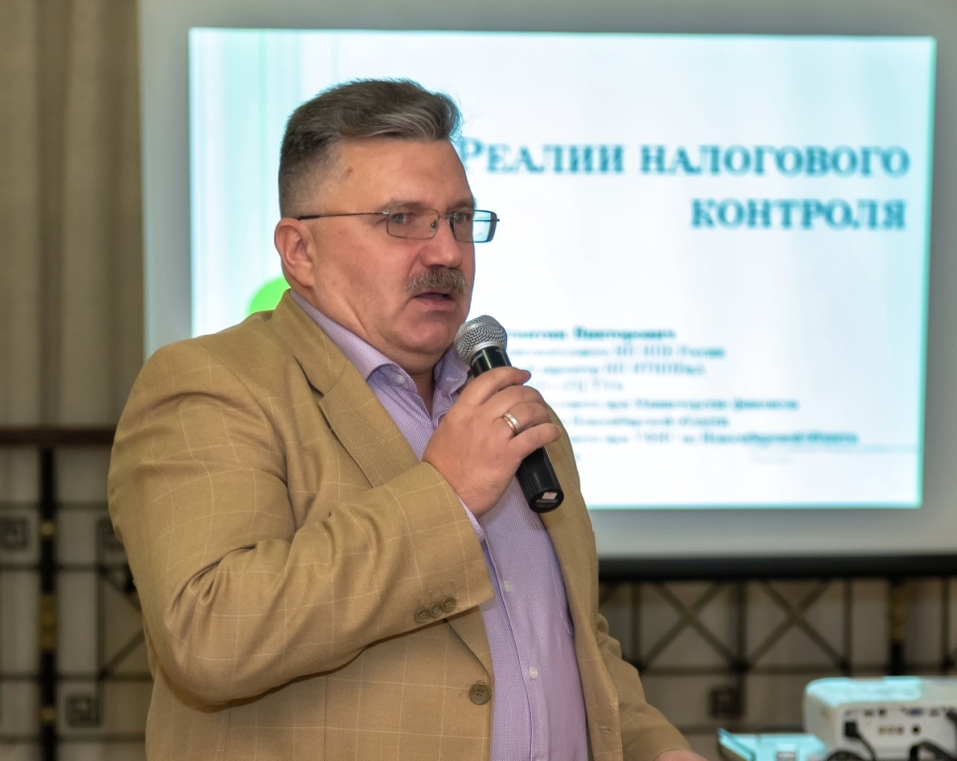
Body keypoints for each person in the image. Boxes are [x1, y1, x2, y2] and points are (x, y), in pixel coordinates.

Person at [109, 79, 705, 761]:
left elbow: (570, 639)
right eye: (402, 219)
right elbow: (208, 635)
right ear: (300, 250)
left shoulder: (502, 403)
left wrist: (655, 748)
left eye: (459, 219)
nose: (447, 252)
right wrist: (447, 497)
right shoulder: (213, 384)